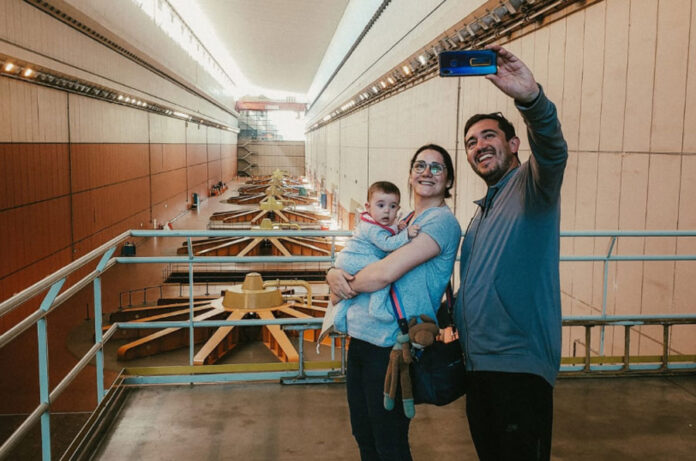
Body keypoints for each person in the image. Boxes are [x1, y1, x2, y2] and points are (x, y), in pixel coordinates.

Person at [455, 44, 568, 460]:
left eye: (489, 136)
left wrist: (530, 99)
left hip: (519, 368)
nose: (479, 145)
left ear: (514, 143)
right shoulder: (482, 212)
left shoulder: (531, 187)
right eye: (471, 142)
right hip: (480, 367)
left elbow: (553, 151)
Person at [327, 144, 461, 461]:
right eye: (420, 165)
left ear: (448, 180)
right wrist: (332, 272)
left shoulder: (440, 223)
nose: (427, 172)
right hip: (363, 338)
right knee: (364, 434)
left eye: (437, 167)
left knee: (389, 442)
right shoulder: (406, 220)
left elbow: (385, 273)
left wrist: (341, 287)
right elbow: (363, 254)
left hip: (393, 347)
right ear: (410, 175)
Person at [330, 181, 420, 330]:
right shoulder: (371, 227)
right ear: (368, 207)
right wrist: (406, 235)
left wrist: (397, 228)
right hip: (355, 258)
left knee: (349, 294)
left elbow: (388, 232)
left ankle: (338, 320)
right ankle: (377, 308)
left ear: (398, 208)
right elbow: (386, 244)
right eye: (381, 205)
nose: (387, 211)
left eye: (393, 206)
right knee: (382, 275)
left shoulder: (377, 223)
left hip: (349, 259)